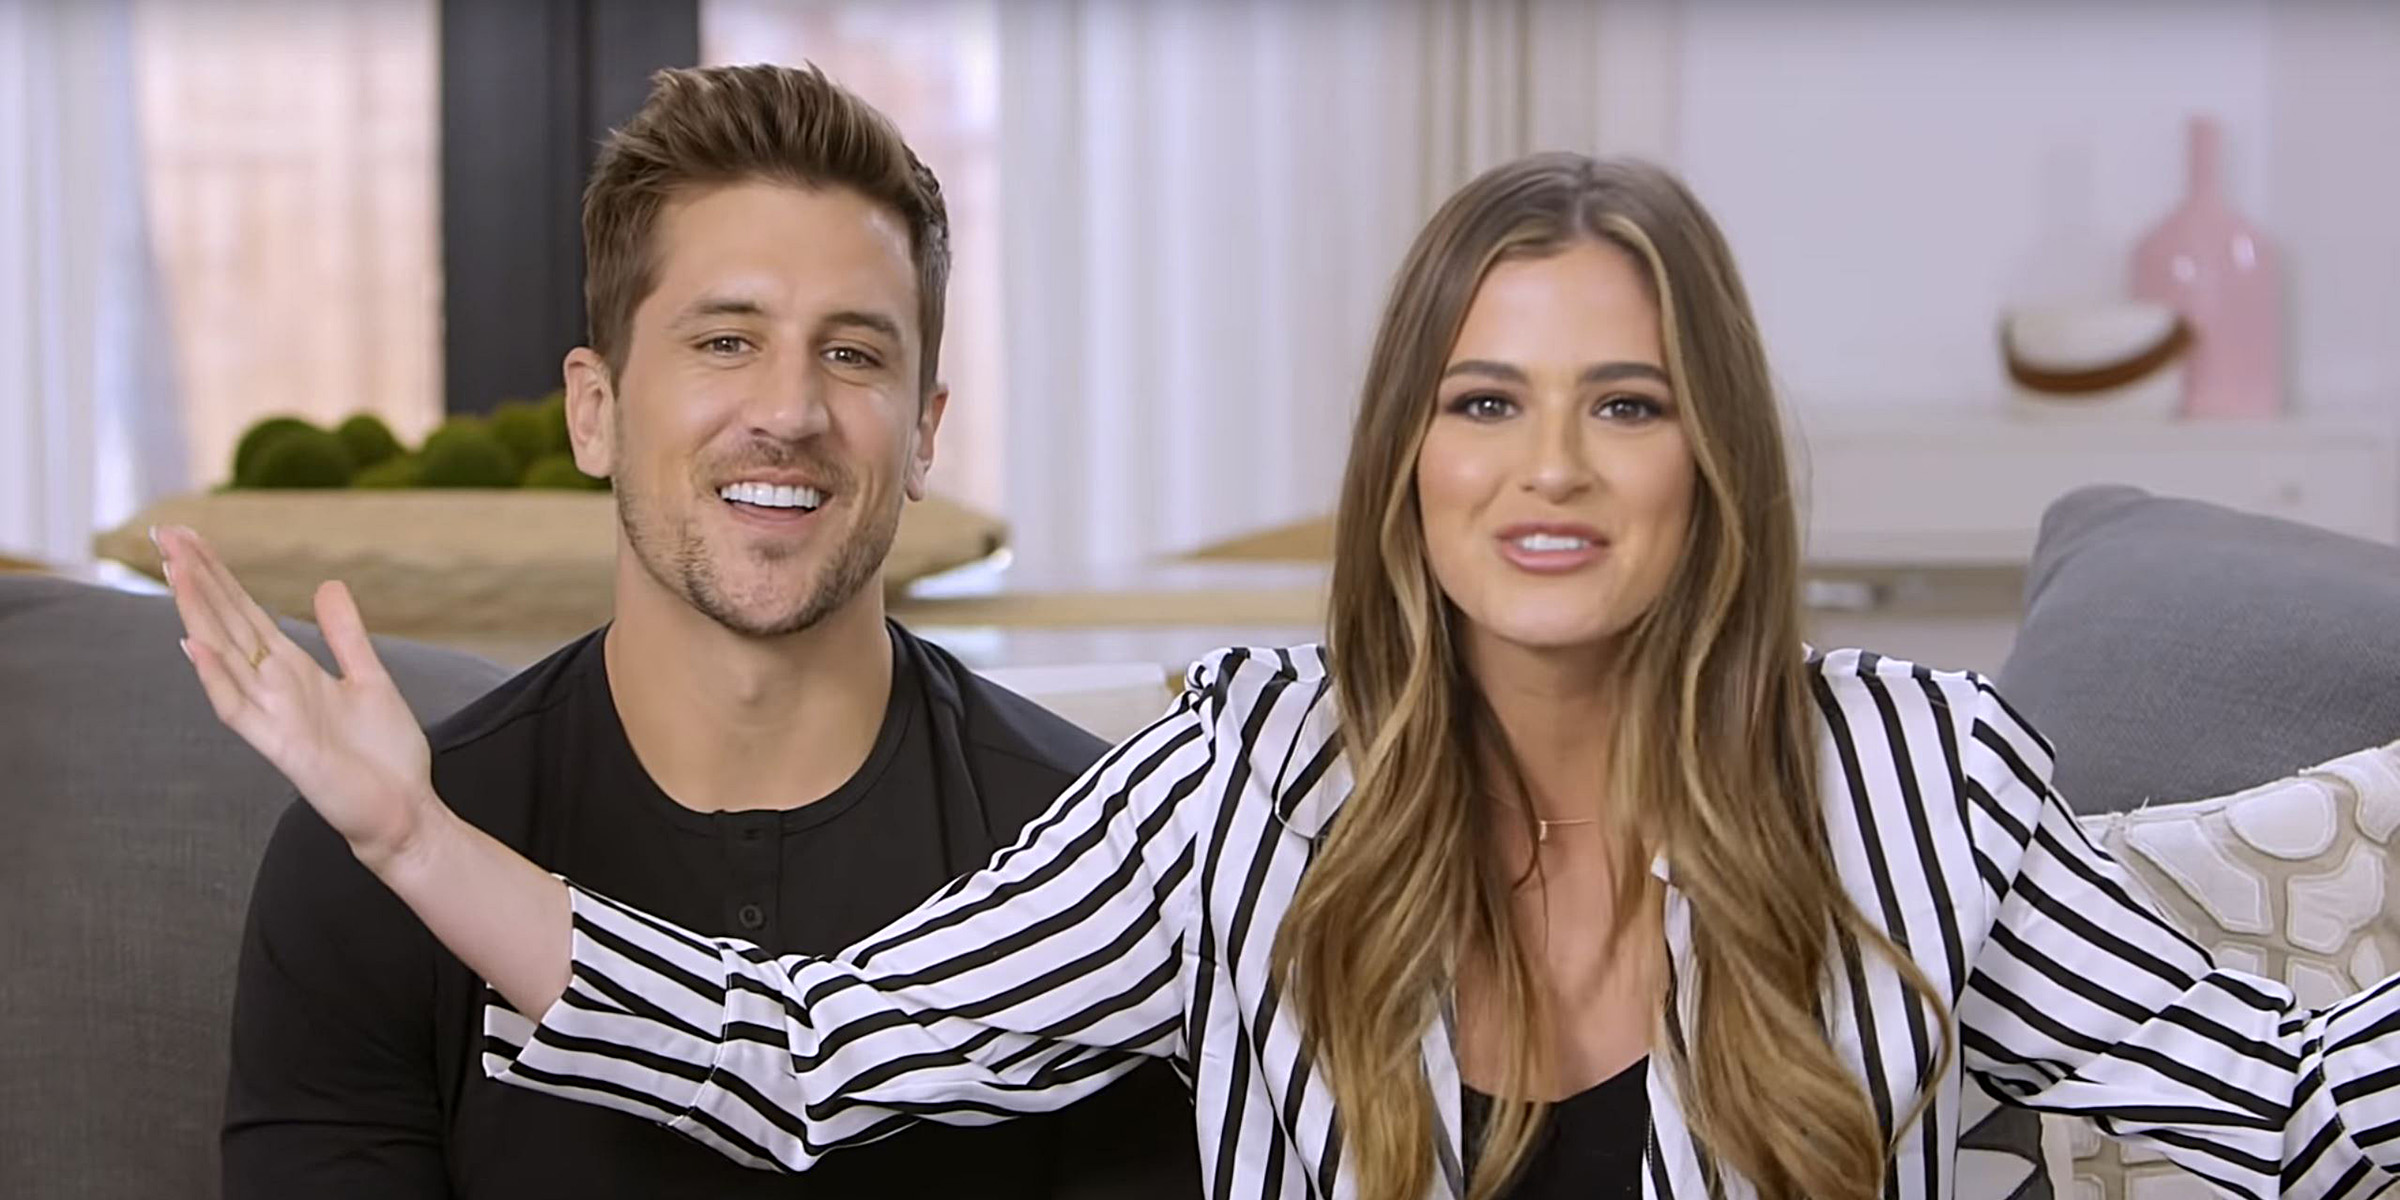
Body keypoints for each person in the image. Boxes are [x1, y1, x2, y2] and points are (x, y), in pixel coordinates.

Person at [162, 153, 2400, 1200]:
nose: (1549, 468)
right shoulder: (1237, 787)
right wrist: (414, 839)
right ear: (1407, 457)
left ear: (1709, 456)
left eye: (1624, 405)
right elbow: (813, 1054)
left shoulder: (1917, 783)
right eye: (1482, 401)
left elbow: (2298, 1118)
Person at [210, 63, 1199, 1199]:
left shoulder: (1098, 868)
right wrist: (410, 845)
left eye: (853, 353)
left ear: (925, 435)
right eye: (726, 341)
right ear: (595, 412)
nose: (789, 411)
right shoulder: (379, 855)